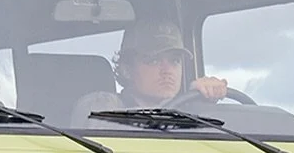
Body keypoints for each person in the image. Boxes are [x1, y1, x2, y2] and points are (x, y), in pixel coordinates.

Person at [71, 20, 228, 124]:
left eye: (175, 61)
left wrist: (202, 106)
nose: (167, 71)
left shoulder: (183, 112)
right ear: (127, 70)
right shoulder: (101, 105)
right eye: (154, 60)